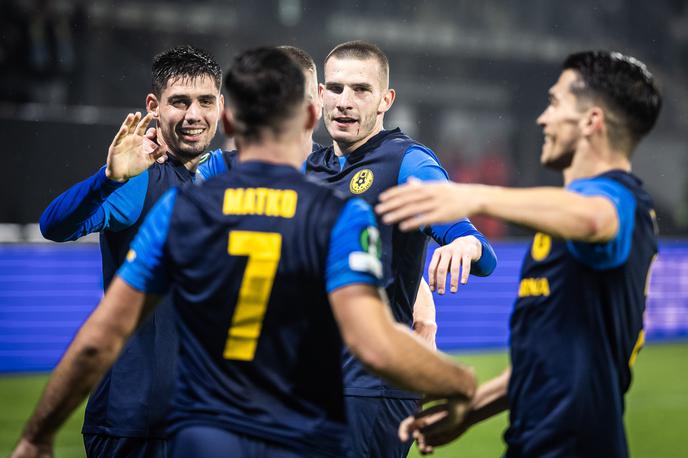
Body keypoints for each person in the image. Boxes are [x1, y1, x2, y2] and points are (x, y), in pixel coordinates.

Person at [11, 47, 478, 458]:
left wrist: (38, 434)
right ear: (312, 117)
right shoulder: (338, 215)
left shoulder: (185, 210)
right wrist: (460, 385)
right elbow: (375, 340)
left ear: (228, 120)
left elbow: (99, 337)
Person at [379, 50, 662, 457]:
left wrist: (474, 194)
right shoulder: (565, 220)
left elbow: (596, 219)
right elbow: (545, 361)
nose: (542, 119)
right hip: (534, 442)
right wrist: (469, 410)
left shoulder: (619, 201)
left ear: (591, 121)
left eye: (553, 103)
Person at [303, 40, 497, 457]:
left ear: (385, 100)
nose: (345, 102)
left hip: (371, 388)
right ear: (319, 95)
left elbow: (474, 243)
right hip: (305, 382)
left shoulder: (407, 162)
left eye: (361, 90)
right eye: (335, 89)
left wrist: (464, 244)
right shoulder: (310, 166)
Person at [37, 45, 223, 457]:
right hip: (135, 423)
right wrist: (107, 178)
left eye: (205, 101)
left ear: (221, 106)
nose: (194, 115)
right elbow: (55, 225)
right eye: (180, 102)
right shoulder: (138, 180)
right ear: (154, 106)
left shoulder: (228, 176)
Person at [197, 45, 441, 347]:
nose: (283, 113)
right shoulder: (224, 173)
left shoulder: (341, 178)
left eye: (294, 100)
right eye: (270, 101)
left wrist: (420, 294)